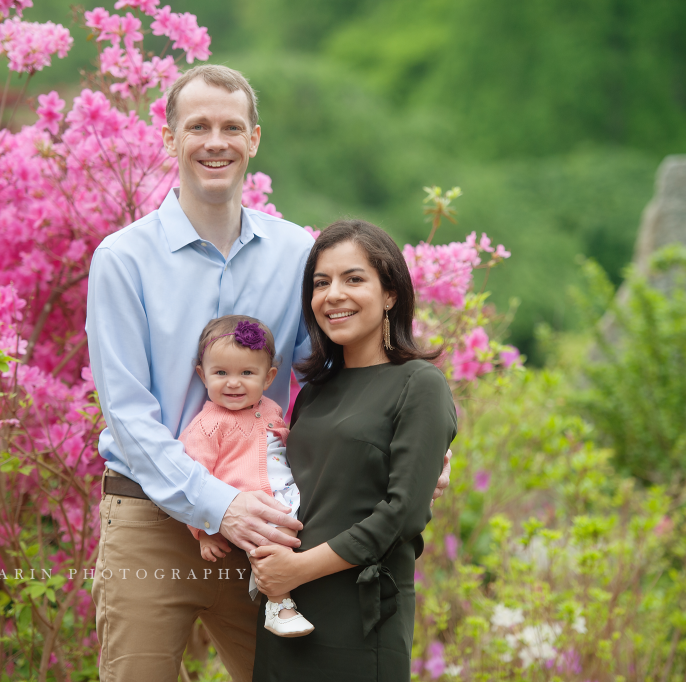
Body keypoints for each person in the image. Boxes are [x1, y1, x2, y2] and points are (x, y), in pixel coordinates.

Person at [86, 64, 451, 682]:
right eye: (197, 126)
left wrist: (412, 449)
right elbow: (126, 414)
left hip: (268, 528)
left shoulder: (295, 254)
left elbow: (336, 369)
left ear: (254, 138)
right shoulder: (123, 260)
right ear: (170, 138)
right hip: (151, 520)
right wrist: (218, 506)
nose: (215, 142)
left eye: (232, 126)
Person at [250, 219, 458, 681]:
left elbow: (402, 514)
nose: (333, 295)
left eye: (354, 278)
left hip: (362, 616)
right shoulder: (314, 392)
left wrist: (297, 570)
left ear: (390, 294)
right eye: (321, 283)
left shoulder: (420, 385)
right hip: (285, 612)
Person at [180, 315, 314, 637]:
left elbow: (281, 441)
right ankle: (278, 606)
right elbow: (194, 480)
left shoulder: (270, 408)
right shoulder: (207, 425)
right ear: (203, 375)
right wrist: (206, 529)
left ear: (268, 378)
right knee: (268, 542)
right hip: (253, 506)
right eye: (221, 373)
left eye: (247, 373)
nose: (233, 382)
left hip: (290, 493)